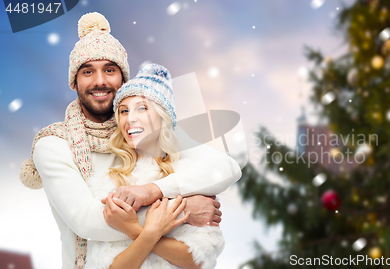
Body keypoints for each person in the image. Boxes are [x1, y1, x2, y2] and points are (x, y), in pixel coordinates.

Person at [19, 12, 241, 268]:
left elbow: (225, 167)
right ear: (74, 82)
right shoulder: (54, 144)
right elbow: (87, 220)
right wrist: (184, 209)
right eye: (88, 71)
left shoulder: (146, 131)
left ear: (123, 79)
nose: (100, 81)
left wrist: (153, 191)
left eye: (110, 70)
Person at [85, 63, 225, 269]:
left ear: (163, 117)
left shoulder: (190, 176)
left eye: (142, 108)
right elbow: (107, 265)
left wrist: (133, 229)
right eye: (123, 111)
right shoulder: (109, 180)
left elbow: (197, 259)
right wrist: (153, 229)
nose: (130, 118)